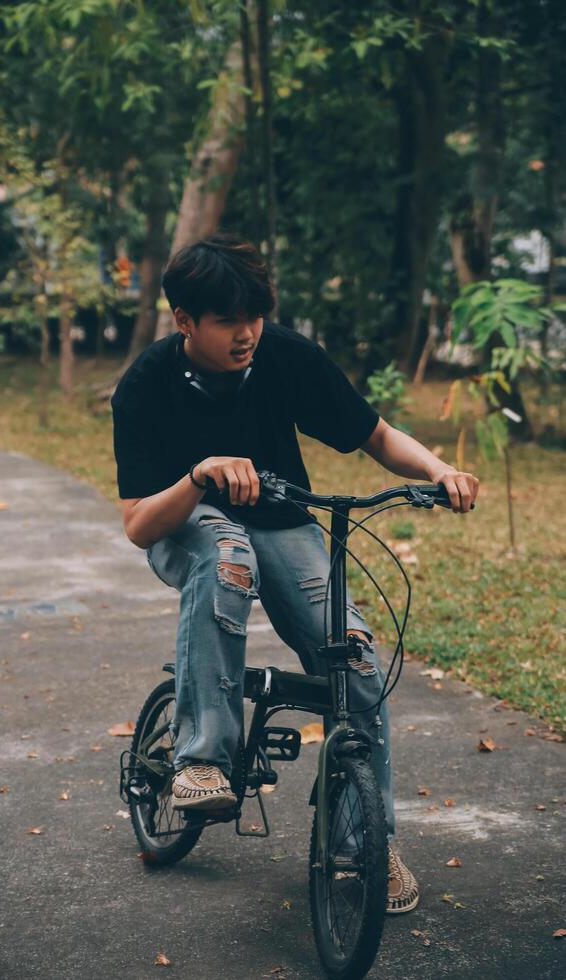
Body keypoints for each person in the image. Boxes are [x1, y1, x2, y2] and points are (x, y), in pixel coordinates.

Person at [111, 232, 479, 915]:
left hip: (283, 524)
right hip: (184, 526)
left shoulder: (282, 355)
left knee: (358, 660)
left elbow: (374, 434)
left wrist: (437, 470)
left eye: (255, 315)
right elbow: (138, 523)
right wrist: (199, 477)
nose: (246, 332)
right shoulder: (147, 384)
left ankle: (362, 842)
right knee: (226, 554)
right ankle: (200, 759)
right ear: (185, 320)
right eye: (228, 320)